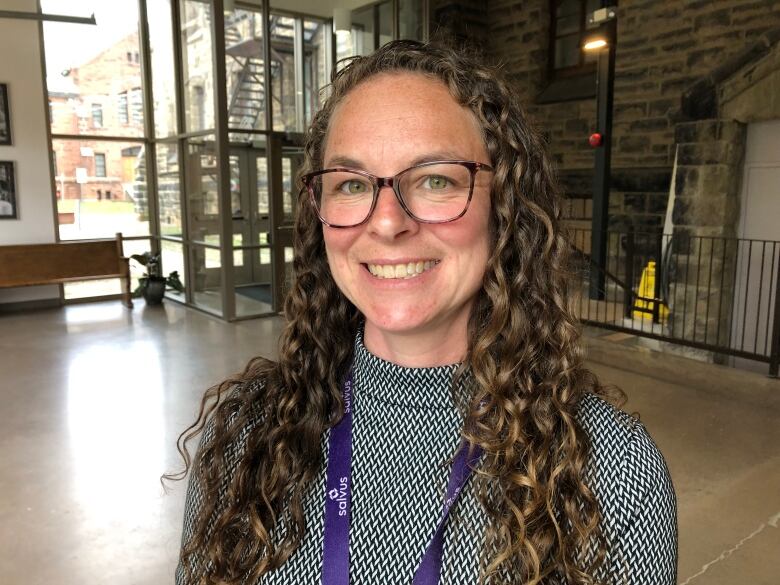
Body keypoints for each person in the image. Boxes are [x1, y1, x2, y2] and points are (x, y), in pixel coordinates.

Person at [171, 40, 677, 584]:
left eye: (435, 178)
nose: (387, 222)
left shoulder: (615, 472)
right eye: (350, 183)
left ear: (504, 208)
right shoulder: (248, 439)